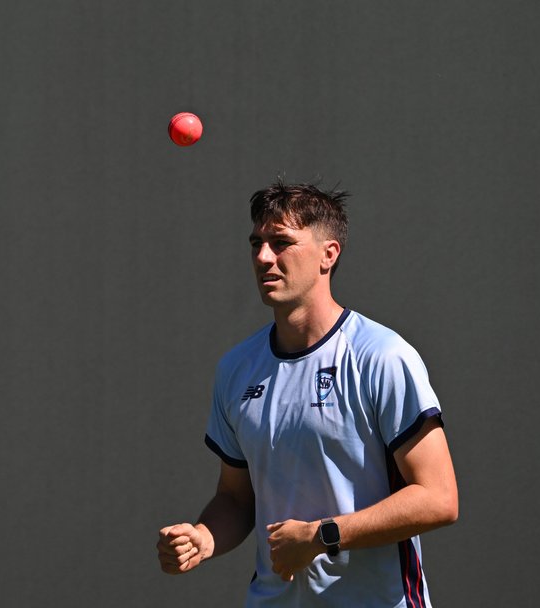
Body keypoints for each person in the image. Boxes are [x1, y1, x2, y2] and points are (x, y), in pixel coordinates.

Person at [157, 181, 458, 607]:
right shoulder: (236, 369)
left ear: (328, 254)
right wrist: (204, 537)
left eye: (281, 243)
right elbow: (236, 498)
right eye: (257, 243)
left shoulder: (382, 356)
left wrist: (322, 536)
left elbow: (438, 498)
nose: (263, 258)